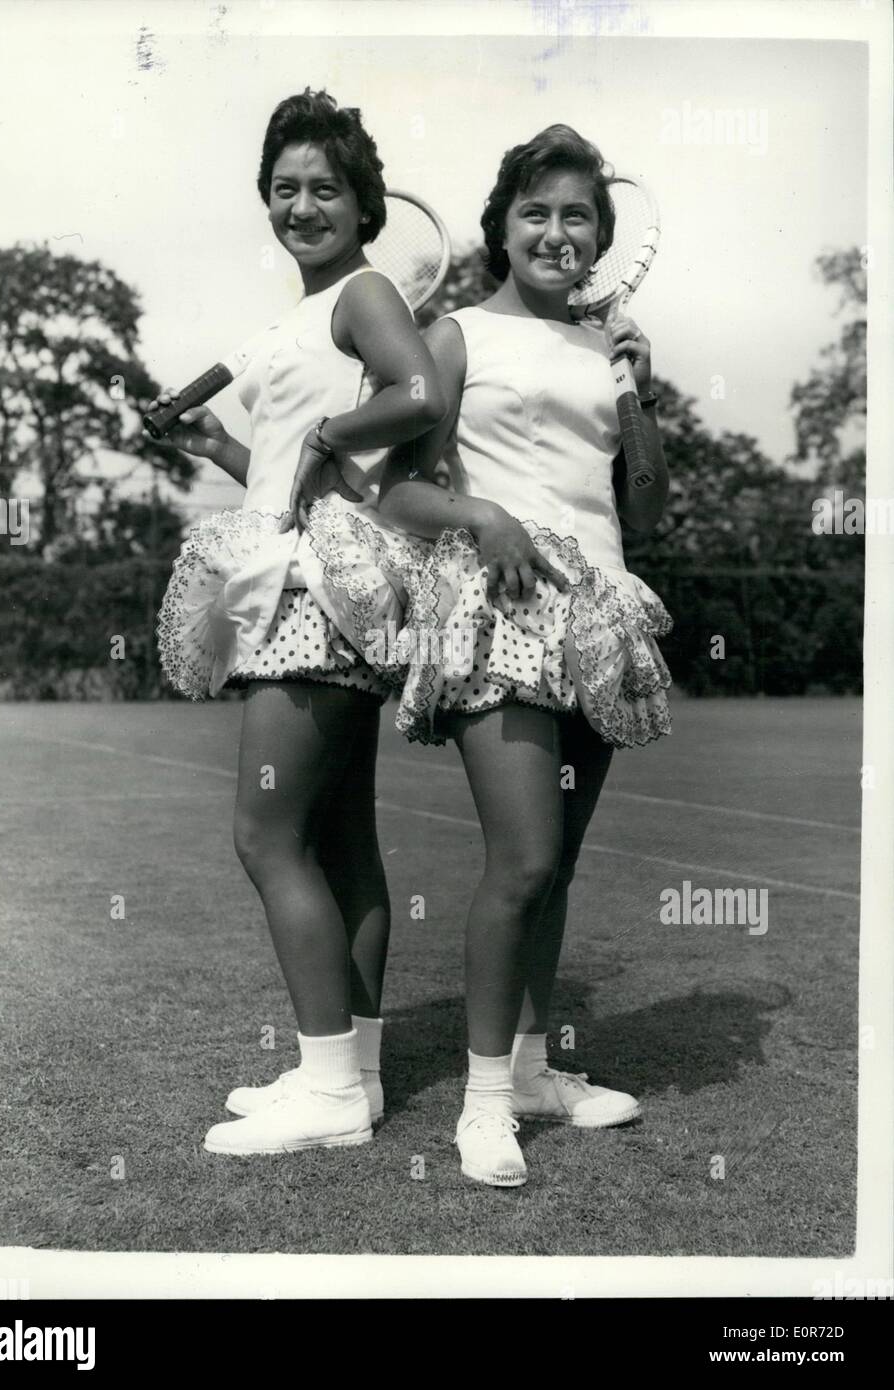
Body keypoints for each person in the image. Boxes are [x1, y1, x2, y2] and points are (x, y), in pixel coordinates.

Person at [309, 124, 672, 1187]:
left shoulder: (609, 347)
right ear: (501, 228)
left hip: (598, 610)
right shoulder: (460, 334)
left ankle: (528, 1068)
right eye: (535, 213)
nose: (555, 232)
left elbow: (641, 505)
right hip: (499, 603)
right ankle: (479, 1106)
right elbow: (396, 491)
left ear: (599, 238)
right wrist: (484, 518)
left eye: (575, 217)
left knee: (553, 865)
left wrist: (640, 395)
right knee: (517, 859)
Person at [150, 89, 444, 1157]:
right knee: (336, 834)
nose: (302, 204)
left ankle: (324, 1096)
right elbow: (275, 467)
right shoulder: (291, 314)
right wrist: (215, 448)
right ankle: (350, 1074)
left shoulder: (365, 290)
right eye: (284, 188)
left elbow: (417, 393)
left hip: (318, 586)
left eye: (325, 187)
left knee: (262, 833)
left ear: (364, 204)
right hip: (289, 562)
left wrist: (325, 428)